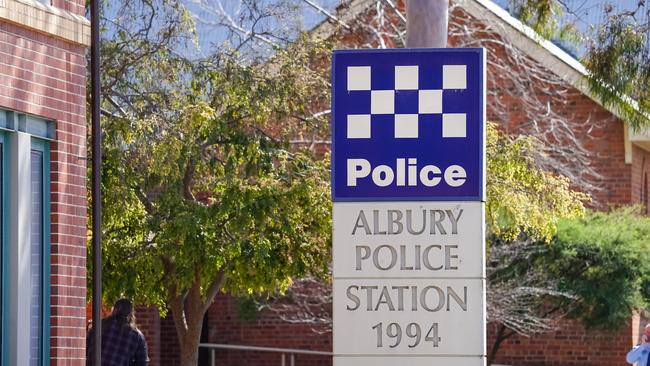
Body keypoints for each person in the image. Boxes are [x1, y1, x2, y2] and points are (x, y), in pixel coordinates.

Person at [86, 299, 149, 366]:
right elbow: (143, 362)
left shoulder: (100, 325)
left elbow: (86, 348)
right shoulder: (137, 336)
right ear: (131, 313)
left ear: (115, 310)